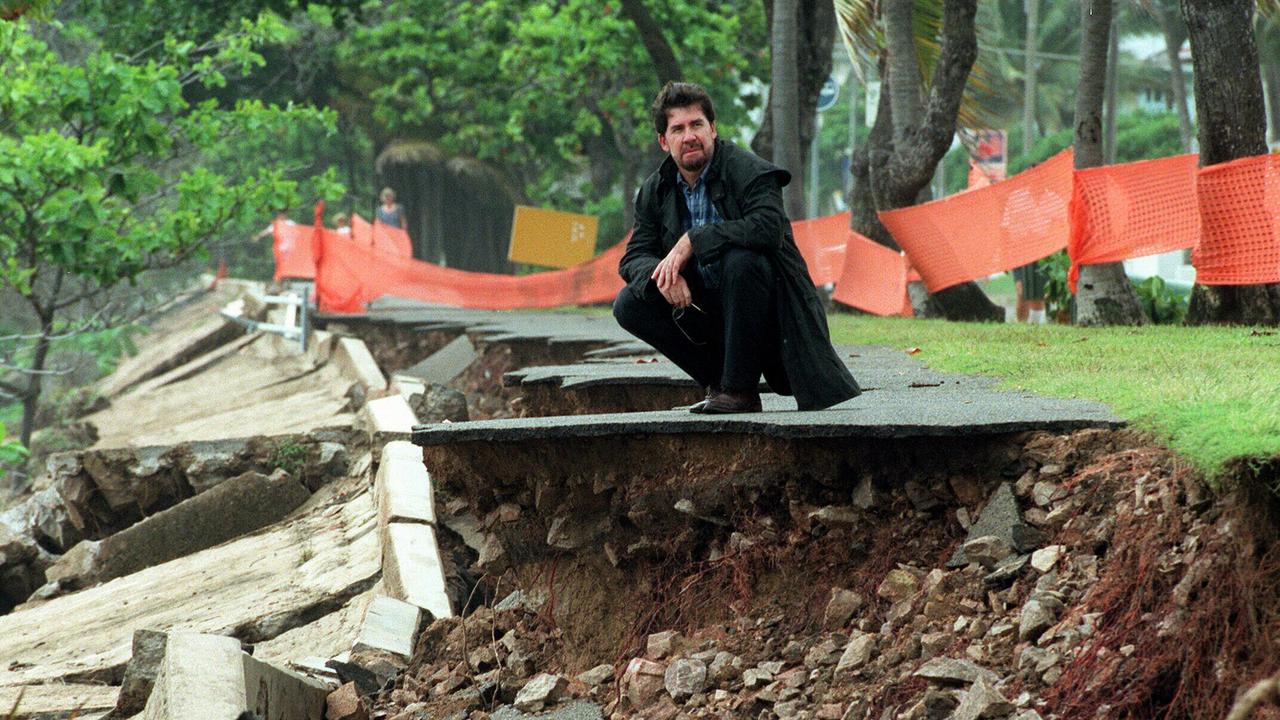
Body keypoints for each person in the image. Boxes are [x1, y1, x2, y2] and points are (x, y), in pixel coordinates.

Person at [613, 82, 861, 414]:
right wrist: (665, 275)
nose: (690, 136)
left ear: (713, 129)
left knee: (742, 260)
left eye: (697, 124)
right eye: (678, 129)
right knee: (629, 302)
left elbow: (769, 228)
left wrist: (694, 240)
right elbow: (634, 256)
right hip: (707, 317)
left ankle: (739, 390)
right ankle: (725, 383)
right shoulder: (654, 190)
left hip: (772, 320)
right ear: (663, 141)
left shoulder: (749, 170)